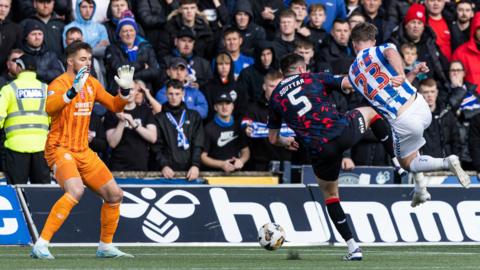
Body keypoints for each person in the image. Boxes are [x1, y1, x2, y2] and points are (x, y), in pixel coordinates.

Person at [268, 53, 396, 261]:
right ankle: (398, 162)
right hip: (341, 133)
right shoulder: (313, 78)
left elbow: (273, 138)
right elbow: (349, 83)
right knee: (372, 113)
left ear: (284, 74)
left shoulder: (275, 97)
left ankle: (353, 248)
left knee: (330, 196)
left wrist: (286, 141)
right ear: (301, 69)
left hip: (319, 150)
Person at [347, 22, 470, 207]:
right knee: (414, 150)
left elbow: (390, 57)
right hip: (420, 105)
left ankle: (447, 163)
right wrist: (407, 73)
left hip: (403, 119)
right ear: (372, 40)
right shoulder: (381, 49)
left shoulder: (352, 74)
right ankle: (421, 191)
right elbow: (392, 56)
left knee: (407, 163)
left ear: (354, 44)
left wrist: (400, 74)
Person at [30, 41, 135, 259]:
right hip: (59, 148)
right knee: (76, 190)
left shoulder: (92, 84)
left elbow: (115, 106)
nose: (87, 63)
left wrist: (125, 91)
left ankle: (105, 246)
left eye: (89, 59)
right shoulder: (59, 84)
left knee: (115, 195)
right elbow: (49, 109)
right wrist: (71, 92)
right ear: (70, 61)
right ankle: (41, 244)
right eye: (82, 59)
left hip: (82, 150)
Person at [0, 54, 51, 185]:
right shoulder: (46, 89)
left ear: (19, 67)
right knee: (42, 192)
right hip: (42, 147)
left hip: (15, 147)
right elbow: (54, 117)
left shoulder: (9, 89)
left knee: (18, 192)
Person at [152, 79, 204, 180]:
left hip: (190, 171)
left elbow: (198, 143)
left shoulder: (194, 116)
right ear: (166, 94)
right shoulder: (159, 118)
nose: (174, 97)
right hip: (167, 172)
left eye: (177, 94)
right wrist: (164, 166)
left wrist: (195, 165)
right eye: (170, 94)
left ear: (183, 94)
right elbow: (156, 146)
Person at [242, 70, 292, 171]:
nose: (275, 90)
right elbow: (245, 122)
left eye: (279, 87)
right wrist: (246, 128)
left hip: (287, 164)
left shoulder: (292, 107)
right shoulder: (253, 108)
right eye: (272, 86)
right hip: (260, 165)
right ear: (264, 87)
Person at [104, 81, 157, 171]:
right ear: (119, 91)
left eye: (131, 89)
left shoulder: (145, 110)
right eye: (125, 89)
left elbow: (153, 138)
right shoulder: (112, 112)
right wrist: (121, 121)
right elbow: (112, 143)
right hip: (118, 166)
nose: (128, 92)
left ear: (136, 91)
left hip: (141, 165)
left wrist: (133, 123)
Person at [201, 91, 250, 172]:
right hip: (214, 175)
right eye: (220, 104)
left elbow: (246, 151)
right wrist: (221, 164)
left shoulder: (238, 126)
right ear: (215, 107)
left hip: (236, 175)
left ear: (232, 106)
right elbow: (202, 157)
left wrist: (241, 161)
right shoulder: (208, 128)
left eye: (227, 103)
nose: (224, 107)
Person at [418, 78, 461, 159]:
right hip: (422, 165)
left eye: (432, 91)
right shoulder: (414, 116)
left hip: (444, 164)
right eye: (426, 92)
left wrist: (456, 162)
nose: (429, 95)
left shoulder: (447, 114)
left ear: (437, 92)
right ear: (420, 94)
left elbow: (456, 141)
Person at [0, 0, 22, 74]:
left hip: (6, 75)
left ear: (10, 8)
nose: (3, 9)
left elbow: (17, 52)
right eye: (0, 5)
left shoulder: (15, 28)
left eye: (6, 6)